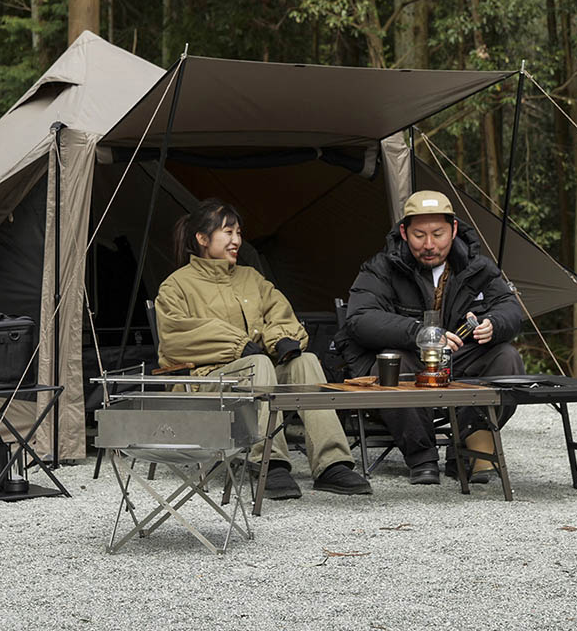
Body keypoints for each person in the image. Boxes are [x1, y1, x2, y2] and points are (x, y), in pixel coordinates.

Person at [154, 198, 372, 500]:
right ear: (202, 239)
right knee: (257, 364)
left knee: (305, 361)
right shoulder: (176, 287)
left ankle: (332, 463)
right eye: (228, 232)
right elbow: (176, 338)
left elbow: (280, 315)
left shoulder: (251, 278)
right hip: (206, 382)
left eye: (239, 233)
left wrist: (281, 339)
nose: (236, 241)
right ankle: (269, 463)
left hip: (259, 374)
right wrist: (239, 346)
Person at [336, 190, 525, 485]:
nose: (428, 245)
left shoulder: (478, 267)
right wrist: (420, 334)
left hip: (459, 361)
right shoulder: (382, 267)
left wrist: (495, 323)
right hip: (409, 362)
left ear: (453, 230)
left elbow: (511, 308)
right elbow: (360, 320)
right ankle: (421, 457)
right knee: (392, 365)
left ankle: (466, 451)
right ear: (403, 232)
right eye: (419, 235)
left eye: (437, 234)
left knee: (508, 358)